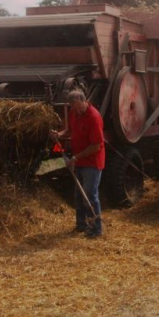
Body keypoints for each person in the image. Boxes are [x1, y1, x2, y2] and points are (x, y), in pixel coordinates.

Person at [49, 89, 105, 238]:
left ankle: (96, 229)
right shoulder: (75, 113)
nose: (73, 110)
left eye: (75, 106)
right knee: (79, 196)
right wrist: (58, 135)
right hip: (79, 161)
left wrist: (75, 158)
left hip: (92, 163)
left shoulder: (94, 117)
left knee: (90, 195)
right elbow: (70, 130)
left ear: (83, 101)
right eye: (71, 107)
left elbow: (96, 146)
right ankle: (81, 225)